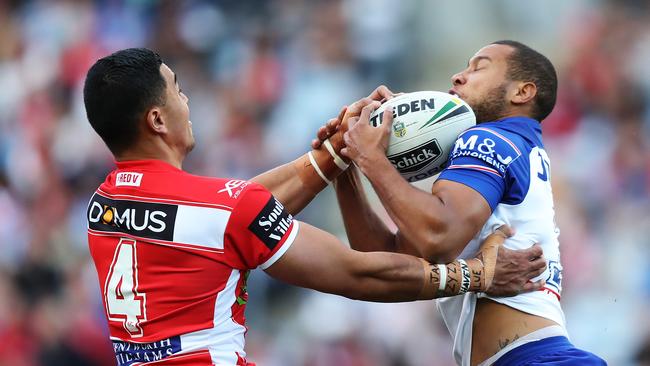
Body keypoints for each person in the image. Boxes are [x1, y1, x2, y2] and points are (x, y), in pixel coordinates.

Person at [82, 48, 546, 366]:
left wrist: (337, 152)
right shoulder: (220, 211)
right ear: (158, 119)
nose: (187, 100)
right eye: (177, 91)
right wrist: (476, 276)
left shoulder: (102, 208)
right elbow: (356, 274)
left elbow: (232, 213)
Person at [316, 40, 607, 365]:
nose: (457, 76)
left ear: (522, 92)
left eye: (479, 67)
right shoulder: (508, 147)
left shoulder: (488, 138)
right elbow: (385, 259)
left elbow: (439, 238)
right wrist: (346, 167)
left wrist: (371, 157)